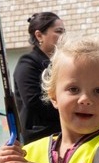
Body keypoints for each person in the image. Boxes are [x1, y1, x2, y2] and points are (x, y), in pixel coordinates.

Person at [14, 13, 65, 144]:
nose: (63, 36)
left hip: (60, 135)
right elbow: (33, 101)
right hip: (38, 138)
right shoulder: (28, 63)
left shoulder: (59, 63)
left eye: (64, 31)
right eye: (58, 31)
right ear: (39, 35)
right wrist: (67, 109)